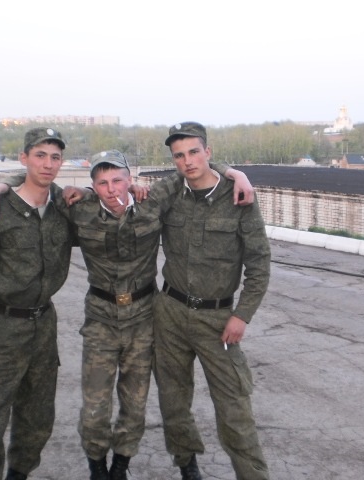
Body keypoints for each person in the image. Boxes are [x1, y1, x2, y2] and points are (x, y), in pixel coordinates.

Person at [0, 150, 254, 480]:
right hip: (101, 321)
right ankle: (97, 466)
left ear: (129, 179)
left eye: (118, 180)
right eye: (102, 183)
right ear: (92, 185)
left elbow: (191, 169)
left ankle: (121, 465)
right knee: (95, 407)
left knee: (134, 405)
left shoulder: (152, 202)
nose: (111, 189)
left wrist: (235, 173)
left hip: (143, 319)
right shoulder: (80, 207)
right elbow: (39, 181)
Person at [0, 127, 75, 480]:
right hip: (2, 326)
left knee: (37, 418)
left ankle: (19, 474)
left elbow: (101, 196)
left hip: (43, 327)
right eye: (40, 155)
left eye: (55, 157)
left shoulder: (63, 206)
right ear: (24, 158)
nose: (48, 164)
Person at [153, 122, 272, 480]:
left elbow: (259, 262)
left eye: (193, 152)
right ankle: (187, 465)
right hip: (170, 313)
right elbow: (118, 190)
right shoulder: (170, 193)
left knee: (235, 409)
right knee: (173, 401)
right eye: (179, 155)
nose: (187, 161)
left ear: (208, 152)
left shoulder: (238, 196)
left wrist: (242, 315)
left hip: (218, 319)